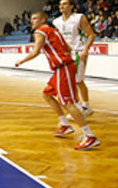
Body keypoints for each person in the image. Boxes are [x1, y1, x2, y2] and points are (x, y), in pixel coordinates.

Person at [14, 12, 100, 150]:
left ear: (43, 19)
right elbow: (68, 48)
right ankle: (65, 125)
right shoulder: (55, 31)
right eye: (31, 19)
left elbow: (36, 51)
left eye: (35, 18)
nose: (32, 21)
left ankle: (89, 136)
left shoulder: (40, 31)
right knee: (47, 94)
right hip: (62, 68)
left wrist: (21, 61)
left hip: (63, 68)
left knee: (67, 102)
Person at [52, 0, 97, 116]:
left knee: (78, 81)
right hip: (66, 54)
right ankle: (81, 106)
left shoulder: (79, 18)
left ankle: (84, 106)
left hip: (78, 52)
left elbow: (92, 34)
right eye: (60, 4)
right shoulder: (56, 21)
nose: (61, 6)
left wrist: (86, 50)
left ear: (71, 6)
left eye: (65, 4)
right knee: (70, 81)